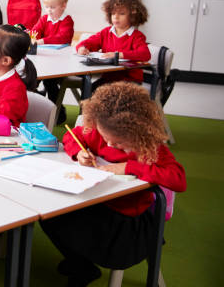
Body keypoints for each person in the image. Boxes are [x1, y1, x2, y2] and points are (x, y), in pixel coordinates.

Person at [41, 82, 186, 287]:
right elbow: (71, 136)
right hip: (96, 202)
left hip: (127, 220)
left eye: (118, 143)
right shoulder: (100, 132)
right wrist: (79, 152)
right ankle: (82, 266)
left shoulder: (150, 148)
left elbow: (178, 179)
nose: (109, 145)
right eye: (106, 138)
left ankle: (82, 264)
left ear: (138, 133)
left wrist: (129, 167)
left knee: (76, 226)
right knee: (49, 217)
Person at [76, 0, 150, 90]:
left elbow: (145, 54)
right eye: (113, 13)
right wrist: (82, 47)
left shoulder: (137, 36)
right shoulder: (106, 32)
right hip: (108, 78)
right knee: (88, 90)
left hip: (130, 81)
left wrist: (118, 55)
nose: (116, 17)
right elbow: (89, 42)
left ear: (133, 16)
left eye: (122, 13)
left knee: (103, 95)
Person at [31, 0, 74, 124]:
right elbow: (35, 31)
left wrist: (42, 40)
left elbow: (62, 37)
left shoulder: (67, 20)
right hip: (43, 61)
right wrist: (30, 36)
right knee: (30, 79)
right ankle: (38, 104)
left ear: (63, 5)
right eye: (47, 7)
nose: (49, 10)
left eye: (53, 7)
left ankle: (58, 112)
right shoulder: (45, 18)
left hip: (60, 63)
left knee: (50, 83)